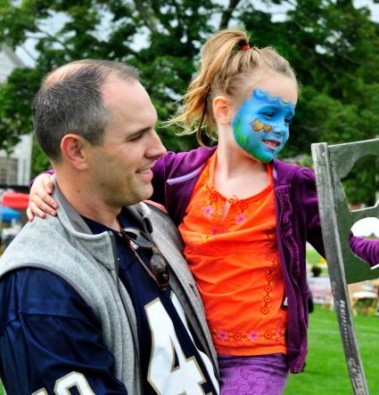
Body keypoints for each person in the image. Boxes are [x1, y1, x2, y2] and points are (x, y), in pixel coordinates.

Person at [28, 29, 379, 394]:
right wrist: (48, 179)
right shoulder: (181, 174)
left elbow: (344, 251)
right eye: (268, 114)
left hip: (261, 356)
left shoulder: (294, 185)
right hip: (190, 346)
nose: (280, 128)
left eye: (288, 118)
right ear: (222, 110)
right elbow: (101, 170)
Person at [0, 60, 219, 394]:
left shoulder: (154, 222)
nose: (158, 149)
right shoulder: (40, 287)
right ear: (76, 151)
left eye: (153, 129)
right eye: (136, 137)